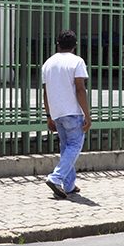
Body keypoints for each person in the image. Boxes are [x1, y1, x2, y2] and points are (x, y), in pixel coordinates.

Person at [41, 29, 92, 198]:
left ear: (58, 44)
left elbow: (45, 92)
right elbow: (80, 89)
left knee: (65, 148)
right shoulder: (77, 62)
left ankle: (68, 185)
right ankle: (55, 178)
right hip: (72, 112)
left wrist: (49, 115)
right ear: (75, 46)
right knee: (75, 146)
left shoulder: (48, 63)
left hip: (57, 113)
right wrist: (87, 114)